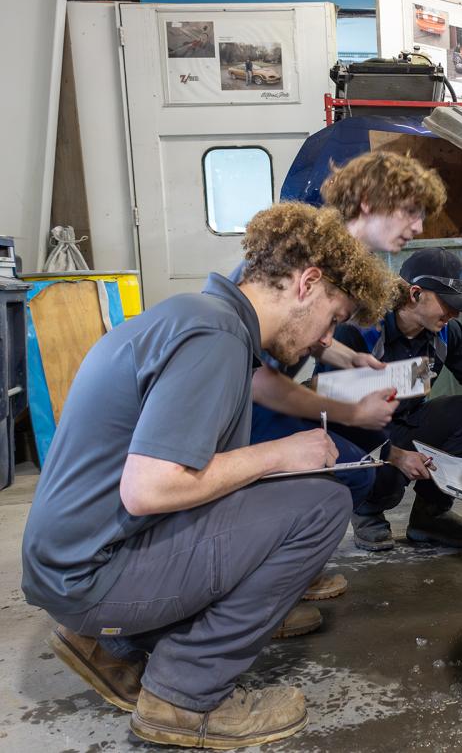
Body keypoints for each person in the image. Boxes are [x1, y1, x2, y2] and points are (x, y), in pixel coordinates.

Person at [21, 203, 395, 749]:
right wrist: (281, 454)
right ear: (307, 283)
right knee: (322, 505)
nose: (324, 339)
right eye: (333, 317)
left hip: (73, 560)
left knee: (268, 487)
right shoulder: (214, 337)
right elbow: (150, 488)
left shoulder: (197, 316)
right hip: (90, 576)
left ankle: (113, 645)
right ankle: (183, 696)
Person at [241, 151, 446, 601]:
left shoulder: (338, 258)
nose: (417, 228)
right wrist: (350, 408)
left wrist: (347, 360)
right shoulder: (301, 255)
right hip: (247, 405)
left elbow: (303, 334)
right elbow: (260, 368)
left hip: (268, 391)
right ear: (370, 201)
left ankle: (283, 569)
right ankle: (262, 587)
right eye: (410, 212)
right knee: (344, 471)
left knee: (355, 470)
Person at [335, 248, 462, 551]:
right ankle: (367, 510)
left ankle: (429, 516)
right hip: (359, 433)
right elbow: (334, 414)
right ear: (415, 293)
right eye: (448, 304)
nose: (455, 314)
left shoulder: (445, 332)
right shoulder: (359, 332)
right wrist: (396, 456)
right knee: (375, 455)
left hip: (407, 422)